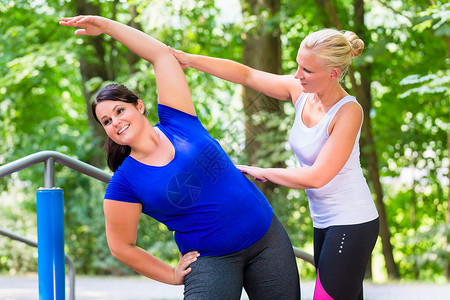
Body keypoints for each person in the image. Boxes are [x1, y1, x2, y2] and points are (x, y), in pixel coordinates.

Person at [59, 15, 301, 300]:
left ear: (139, 106)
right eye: (106, 121)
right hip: (212, 260)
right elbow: (121, 247)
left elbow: (161, 55)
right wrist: (170, 275)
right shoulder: (123, 184)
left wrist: (108, 27)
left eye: (119, 111)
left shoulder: (178, 120)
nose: (115, 122)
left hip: (267, 240)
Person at [169, 28, 379, 300]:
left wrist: (261, 172)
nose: (297, 75)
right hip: (323, 220)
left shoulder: (348, 111)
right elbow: (246, 75)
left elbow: (317, 177)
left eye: (307, 70)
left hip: (352, 220)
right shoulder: (300, 92)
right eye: (298, 65)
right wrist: (190, 60)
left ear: (333, 74)